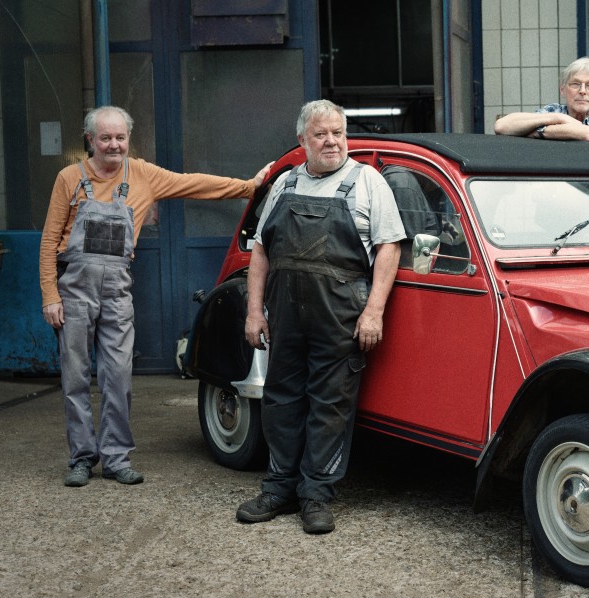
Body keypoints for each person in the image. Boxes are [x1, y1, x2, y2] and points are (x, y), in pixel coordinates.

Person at [40, 105, 270, 488]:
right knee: (76, 378)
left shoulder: (143, 174)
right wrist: (50, 295)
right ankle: (81, 457)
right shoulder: (69, 178)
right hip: (74, 291)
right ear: (91, 140)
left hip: (116, 291)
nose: (114, 145)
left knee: (118, 377)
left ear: (128, 138)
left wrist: (248, 187)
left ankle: (116, 459)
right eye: (105, 138)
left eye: (120, 137)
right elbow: (49, 241)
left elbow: (194, 183)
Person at [235, 100, 405, 534]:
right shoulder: (285, 182)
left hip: (340, 316)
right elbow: (260, 251)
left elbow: (389, 247)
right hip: (286, 316)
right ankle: (278, 489)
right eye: (321, 134)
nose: (332, 141)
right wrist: (254, 311)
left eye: (338, 133)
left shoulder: (367, 182)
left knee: (330, 406)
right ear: (302, 140)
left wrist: (374, 312)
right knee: (281, 401)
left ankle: (316, 496)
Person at [494, 57, 589, 154]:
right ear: (562, 90)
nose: (582, 91)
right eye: (575, 84)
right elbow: (501, 126)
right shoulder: (554, 111)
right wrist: (558, 118)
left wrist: (538, 132)